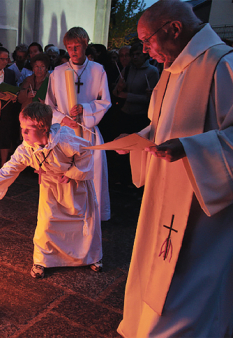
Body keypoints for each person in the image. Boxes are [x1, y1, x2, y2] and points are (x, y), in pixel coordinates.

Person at [116, 1, 233, 336]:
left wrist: (192, 148)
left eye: (147, 40)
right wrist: (139, 139)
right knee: (155, 269)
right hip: (162, 196)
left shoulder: (223, 65)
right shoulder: (170, 71)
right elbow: (159, 126)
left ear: (174, 29)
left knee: (189, 290)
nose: (144, 49)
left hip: (201, 210)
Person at [0, 102, 102, 278]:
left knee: (83, 221)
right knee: (47, 223)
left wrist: (73, 173)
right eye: (21, 127)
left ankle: (90, 257)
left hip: (74, 187)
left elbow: (86, 151)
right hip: (50, 187)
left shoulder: (64, 139)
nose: (23, 133)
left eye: (28, 129)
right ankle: (43, 260)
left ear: (44, 127)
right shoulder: (25, 150)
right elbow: (4, 173)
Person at [45, 26, 112, 221]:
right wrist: (61, 119)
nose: (73, 51)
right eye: (69, 47)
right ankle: (67, 213)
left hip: (88, 131)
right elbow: (49, 105)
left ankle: (93, 214)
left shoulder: (98, 70)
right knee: (65, 172)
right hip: (65, 131)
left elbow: (105, 101)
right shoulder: (57, 73)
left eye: (77, 46)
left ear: (85, 45)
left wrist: (85, 108)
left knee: (92, 172)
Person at [113, 42, 159, 134]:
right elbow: (115, 93)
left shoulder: (152, 71)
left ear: (145, 55)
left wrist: (128, 96)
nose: (135, 57)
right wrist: (119, 88)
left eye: (138, 54)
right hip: (124, 114)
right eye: (133, 55)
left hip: (140, 116)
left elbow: (152, 98)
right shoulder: (127, 69)